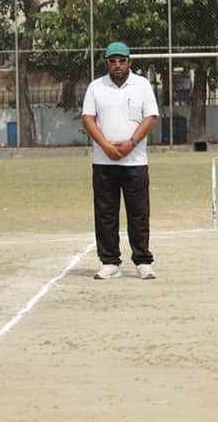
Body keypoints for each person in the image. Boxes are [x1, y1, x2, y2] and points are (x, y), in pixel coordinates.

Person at [82, 42, 159, 280]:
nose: (118, 65)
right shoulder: (96, 87)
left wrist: (130, 144)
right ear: (107, 62)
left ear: (129, 61)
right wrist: (106, 146)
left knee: (138, 213)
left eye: (122, 60)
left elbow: (151, 117)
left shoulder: (142, 85)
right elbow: (88, 118)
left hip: (135, 160)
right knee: (106, 213)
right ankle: (110, 261)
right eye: (113, 61)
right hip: (104, 161)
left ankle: (143, 261)